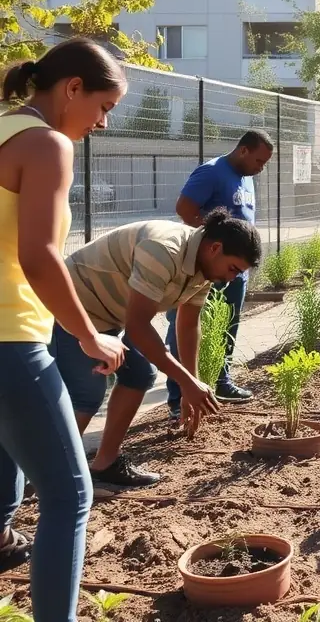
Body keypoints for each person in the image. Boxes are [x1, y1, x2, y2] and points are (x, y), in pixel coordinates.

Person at [0, 39, 127, 621]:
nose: (101, 123)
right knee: (70, 494)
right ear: (71, 88)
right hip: (10, 339)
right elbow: (41, 257)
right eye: (102, 107)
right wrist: (88, 335)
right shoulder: (46, 144)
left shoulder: (3, 128)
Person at [52, 210, 261, 486]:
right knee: (86, 393)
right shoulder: (163, 249)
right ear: (215, 248)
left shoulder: (204, 268)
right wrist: (185, 382)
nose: (231, 279)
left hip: (109, 316)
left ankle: (104, 465)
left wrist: (191, 382)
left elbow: (187, 325)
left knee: (139, 375)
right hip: (72, 305)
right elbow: (138, 326)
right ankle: (48, 475)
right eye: (233, 269)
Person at [164, 131, 274, 419]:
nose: (260, 167)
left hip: (235, 270)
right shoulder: (212, 172)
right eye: (259, 160)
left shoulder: (246, 176)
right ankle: (178, 396)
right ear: (243, 151)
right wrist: (218, 240)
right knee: (185, 324)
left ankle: (222, 381)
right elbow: (184, 209)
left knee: (228, 322)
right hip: (210, 264)